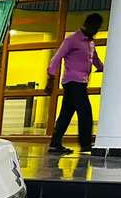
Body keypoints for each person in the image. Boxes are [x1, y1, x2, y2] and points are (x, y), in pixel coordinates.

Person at [45, 13, 104, 154]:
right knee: (85, 112)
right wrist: (51, 78)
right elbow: (56, 58)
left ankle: (55, 144)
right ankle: (86, 145)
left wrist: (104, 69)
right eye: (95, 28)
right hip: (73, 82)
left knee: (66, 114)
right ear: (88, 24)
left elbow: (95, 59)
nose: (96, 31)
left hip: (81, 83)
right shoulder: (71, 40)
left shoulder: (90, 43)